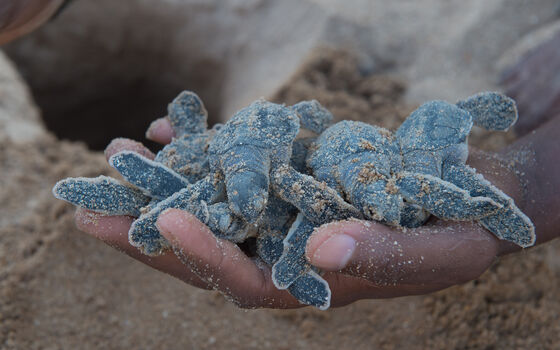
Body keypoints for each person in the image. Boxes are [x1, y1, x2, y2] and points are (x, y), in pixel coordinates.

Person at [2, 0, 559, 309]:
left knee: (434, 133)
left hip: (345, 150)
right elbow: (196, 179)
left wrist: (524, 189)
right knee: (167, 183)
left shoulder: (309, 179)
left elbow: (310, 199)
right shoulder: (236, 180)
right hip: (242, 150)